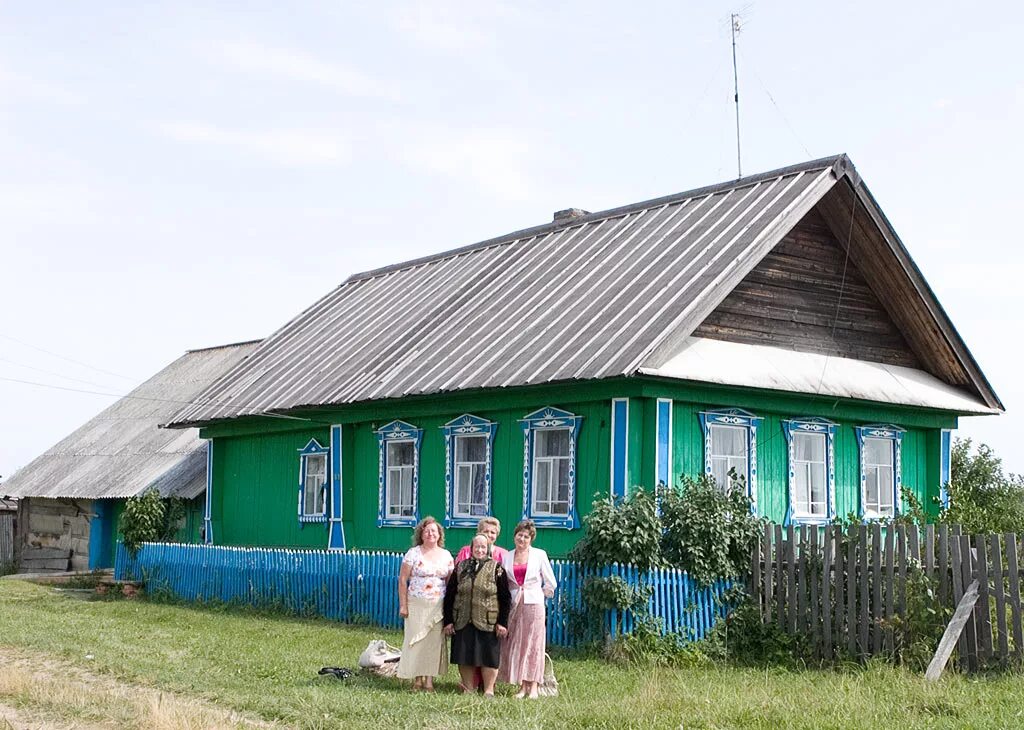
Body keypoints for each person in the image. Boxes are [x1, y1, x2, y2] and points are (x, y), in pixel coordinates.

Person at [442, 535, 511, 697]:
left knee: (489, 656)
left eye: (483, 547)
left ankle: (489, 690)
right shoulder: (460, 567)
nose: (480, 550)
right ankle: (468, 688)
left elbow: (505, 598)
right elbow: (450, 595)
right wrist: (448, 621)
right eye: (477, 547)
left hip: (489, 620)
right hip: (463, 619)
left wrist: (502, 623)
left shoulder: (497, 569)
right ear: (471, 548)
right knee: (464, 655)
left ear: (488, 549)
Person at [498, 519, 557, 699]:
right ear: (514, 536)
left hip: (534, 604)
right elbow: (504, 583)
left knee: (534, 643)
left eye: (526, 536)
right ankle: (522, 686)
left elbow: (551, 582)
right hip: (515, 604)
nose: (522, 539)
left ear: (531, 539)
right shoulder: (507, 557)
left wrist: (539, 594)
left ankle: (534, 687)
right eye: (519, 535)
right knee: (518, 642)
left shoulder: (539, 555)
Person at [396, 516, 454, 691]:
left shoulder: (446, 555)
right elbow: (402, 580)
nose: (430, 534)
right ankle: (417, 679)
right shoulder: (413, 553)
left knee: (433, 643)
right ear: (421, 534)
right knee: (416, 640)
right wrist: (403, 605)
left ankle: (429, 681)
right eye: (427, 531)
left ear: (439, 535)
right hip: (416, 604)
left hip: (437, 605)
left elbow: (450, 584)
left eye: (434, 531)